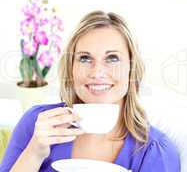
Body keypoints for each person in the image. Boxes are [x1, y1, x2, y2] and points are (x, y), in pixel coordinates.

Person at [0, 11, 180, 172]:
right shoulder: (36, 125)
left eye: (112, 58)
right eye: (85, 58)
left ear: (132, 69)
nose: (97, 73)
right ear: (71, 68)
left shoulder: (156, 152)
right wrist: (34, 152)